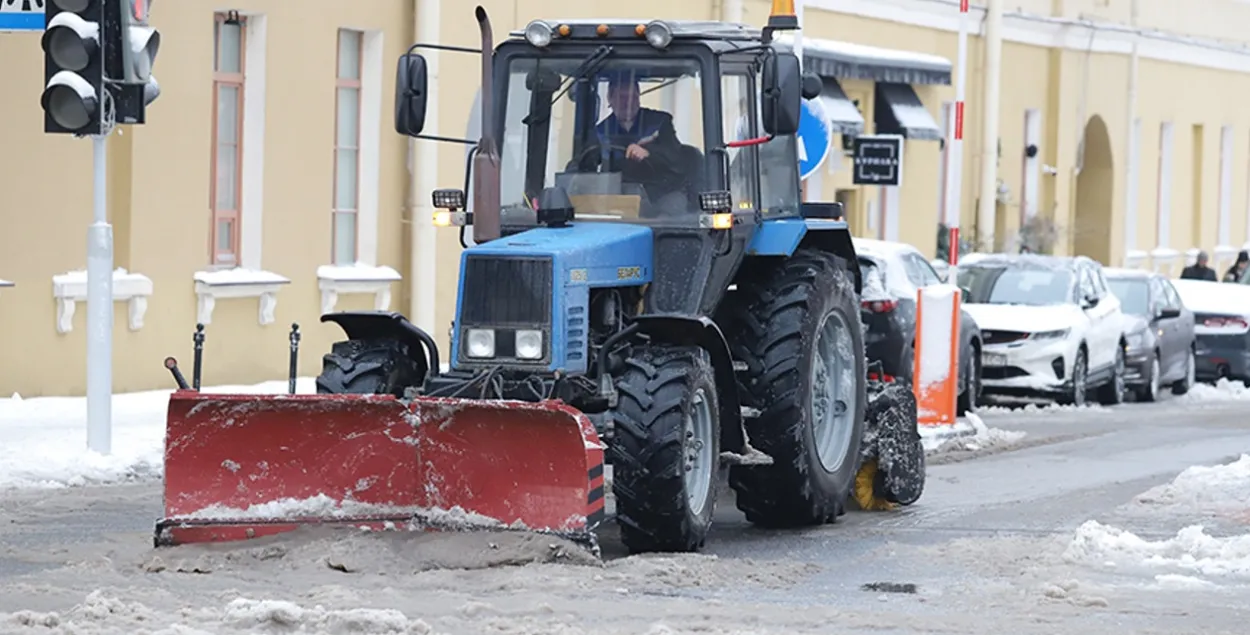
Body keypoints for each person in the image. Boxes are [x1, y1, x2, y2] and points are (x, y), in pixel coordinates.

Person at [580, 73, 690, 217]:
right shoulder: (601, 131)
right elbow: (585, 162)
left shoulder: (660, 122)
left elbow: (675, 157)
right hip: (619, 198)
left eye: (633, 97)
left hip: (661, 195)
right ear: (610, 99)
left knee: (674, 207)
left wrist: (649, 154)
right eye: (622, 97)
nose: (628, 102)